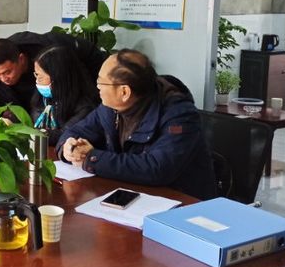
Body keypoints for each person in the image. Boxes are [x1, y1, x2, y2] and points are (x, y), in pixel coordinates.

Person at [56, 49, 216, 200]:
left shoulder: (179, 115)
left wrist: (92, 158)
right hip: (128, 194)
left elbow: (158, 168)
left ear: (124, 92)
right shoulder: (110, 107)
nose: (97, 87)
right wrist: (69, 148)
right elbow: (76, 130)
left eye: (101, 82)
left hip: (181, 203)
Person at [0, 31, 107, 112]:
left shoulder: (50, 50)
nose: (4, 79)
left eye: (7, 72)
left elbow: (91, 57)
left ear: (21, 59)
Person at [30, 46, 99, 143]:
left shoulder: (85, 108)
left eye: (40, 77)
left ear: (58, 77)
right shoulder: (44, 97)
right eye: (36, 75)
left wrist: (26, 132)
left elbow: (64, 135)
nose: (37, 81)